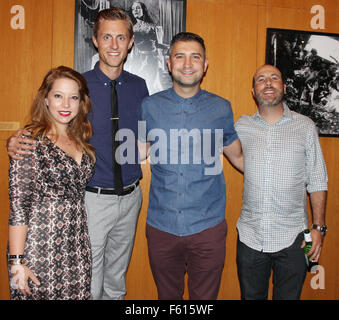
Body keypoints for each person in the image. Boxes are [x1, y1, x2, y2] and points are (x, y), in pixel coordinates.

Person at [7, 8, 149, 300]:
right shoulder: (78, 86)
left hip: (132, 197)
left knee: (116, 282)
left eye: (120, 37)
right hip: (91, 200)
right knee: (89, 282)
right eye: (106, 37)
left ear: (131, 42)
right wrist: (16, 138)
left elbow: (146, 137)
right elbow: (50, 127)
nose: (113, 44)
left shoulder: (140, 86)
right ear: (95, 40)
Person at [138, 32, 243, 300]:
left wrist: (277, 172)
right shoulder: (149, 106)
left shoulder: (221, 108)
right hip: (162, 226)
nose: (187, 64)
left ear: (205, 64)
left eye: (195, 57)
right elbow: (135, 153)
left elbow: (239, 157)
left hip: (207, 227)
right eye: (180, 56)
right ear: (168, 62)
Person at [235, 64, 328, 300]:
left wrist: (318, 229)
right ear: (253, 91)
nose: (268, 83)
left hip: (296, 238)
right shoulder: (241, 126)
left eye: (274, 78)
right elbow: (231, 154)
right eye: (261, 79)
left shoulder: (305, 126)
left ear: (284, 87)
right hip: (249, 235)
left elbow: (317, 179)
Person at [8, 66, 95, 300]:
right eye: (58, 96)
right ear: (45, 99)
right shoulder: (29, 141)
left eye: (73, 97)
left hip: (77, 249)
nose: (66, 104)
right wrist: (16, 262)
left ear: (81, 103)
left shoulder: (80, 141)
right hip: (40, 251)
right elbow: (19, 207)